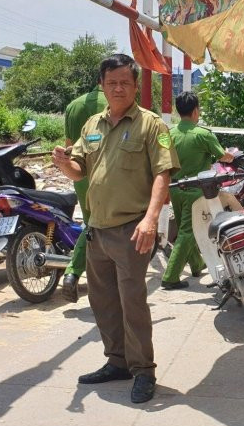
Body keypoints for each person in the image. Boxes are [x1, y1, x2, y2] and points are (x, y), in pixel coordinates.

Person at [52, 54, 178, 405]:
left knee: (132, 303)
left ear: (136, 86)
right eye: (112, 83)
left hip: (131, 230)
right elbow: (80, 170)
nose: (118, 88)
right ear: (102, 86)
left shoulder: (152, 126)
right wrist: (66, 163)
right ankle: (117, 362)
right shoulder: (92, 124)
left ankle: (143, 371)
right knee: (103, 302)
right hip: (96, 230)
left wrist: (151, 219)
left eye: (125, 82)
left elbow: (162, 174)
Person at [161, 92, 234, 289]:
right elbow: (224, 157)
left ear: (178, 110)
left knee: (189, 228)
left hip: (175, 187)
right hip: (196, 191)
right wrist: (231, 155)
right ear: (195, 111)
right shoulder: (203, 134)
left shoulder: (167, 133)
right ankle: (170, 276)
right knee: (187, 231)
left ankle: (197, 264)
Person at [58, 81, 107, 302]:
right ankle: (76, 271)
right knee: (109, 227)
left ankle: (73, 273)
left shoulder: (73, 106)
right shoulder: (117, 104)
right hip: (108, 175)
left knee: (91, 224)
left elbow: (69, 147)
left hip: (80, 174)